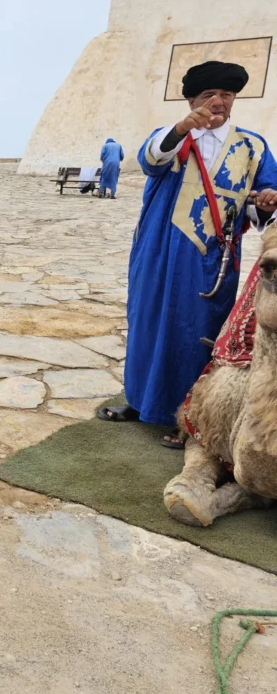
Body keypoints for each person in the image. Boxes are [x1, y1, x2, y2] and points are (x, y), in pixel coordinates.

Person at [98, 61, 277, 446]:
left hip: (211, 254)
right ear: (192, 99)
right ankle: (140, 401)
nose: (218, 102)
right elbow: (151, 160)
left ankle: (189, 416)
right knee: (147, 320)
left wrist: (264, 203)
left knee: (197, 332)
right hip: (159, 245)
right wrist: (183, 127)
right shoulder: (175, 137)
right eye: (209, 95)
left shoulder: (253, 146)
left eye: (226, 95)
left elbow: (260, 203)